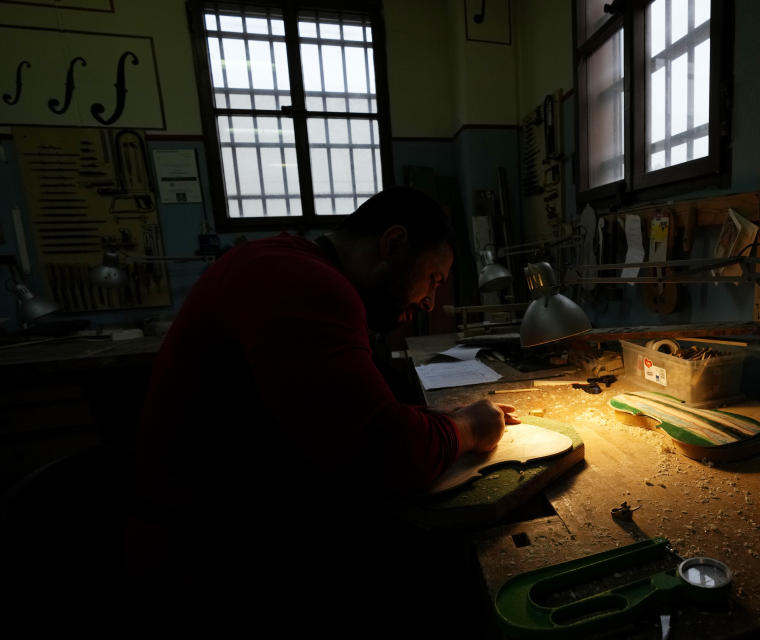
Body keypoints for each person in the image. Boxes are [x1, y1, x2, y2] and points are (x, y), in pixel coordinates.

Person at [125, 187, 518, 627]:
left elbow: (352, 414)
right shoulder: (304, 283)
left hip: (227, 522)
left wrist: (433, 421)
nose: (429, 302)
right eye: (433, 280)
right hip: (206, 559)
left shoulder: (280, 262)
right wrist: (470, 427)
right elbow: (388, 455)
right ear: (393, 245)